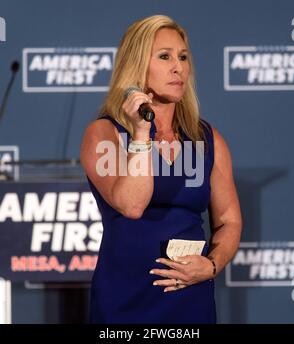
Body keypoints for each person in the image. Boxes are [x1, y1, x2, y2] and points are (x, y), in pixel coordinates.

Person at [80, 14, 242, 324]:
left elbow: (229, 220)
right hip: (125, 301)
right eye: (165, 57)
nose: (178, 67)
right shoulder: (105, 134)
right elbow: (132, 204)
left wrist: (210, 266)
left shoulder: (207, 138)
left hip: (189, 299)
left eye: (183, 57)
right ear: (138, 64)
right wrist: (142, 133)